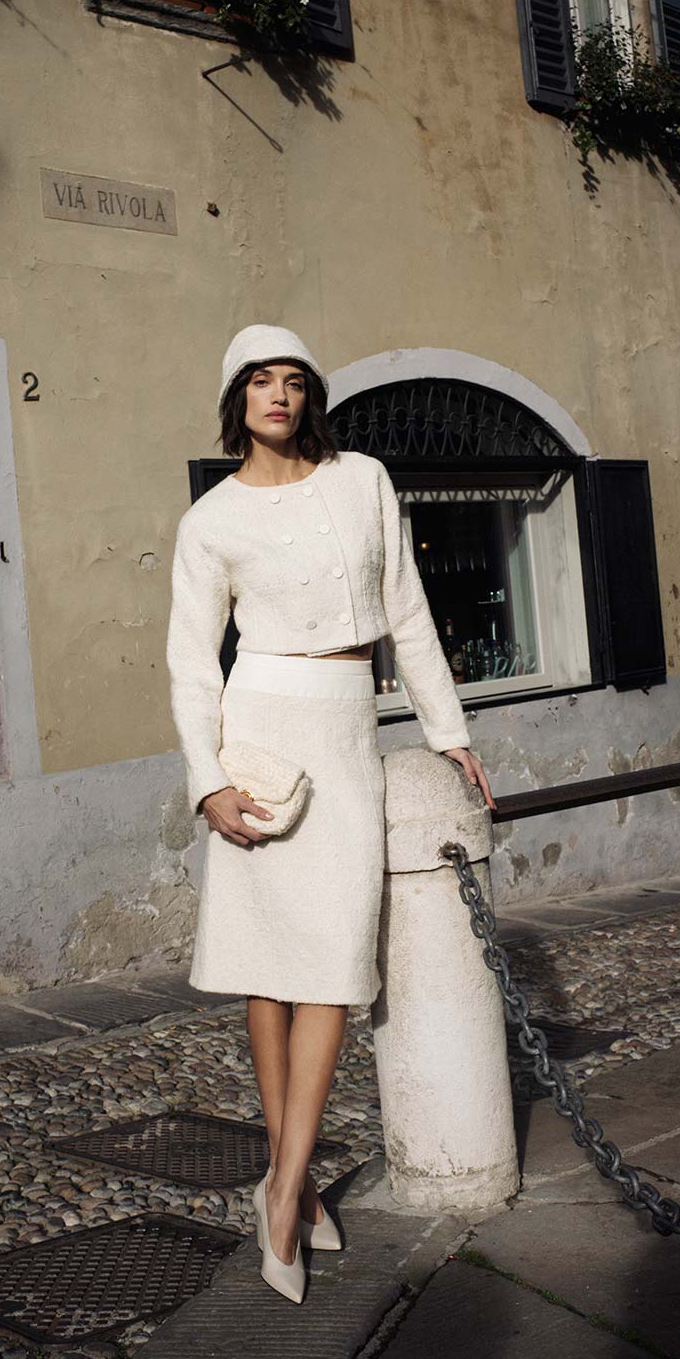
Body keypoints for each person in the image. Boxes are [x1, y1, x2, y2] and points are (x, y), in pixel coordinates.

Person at [165, 323, 497, 1303]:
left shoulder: (363, 483)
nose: (278, 394)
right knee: (271, 966)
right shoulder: (211, 520)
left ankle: (281, 1177)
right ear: (238, 400)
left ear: (310, 395)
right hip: (257, 726)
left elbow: (409, 612)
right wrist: (205, 777)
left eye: (293, 380)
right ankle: (290, 1188)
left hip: (347, 726)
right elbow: (192, 660)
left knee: (336, 962)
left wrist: (449, 731)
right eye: (260, 381)